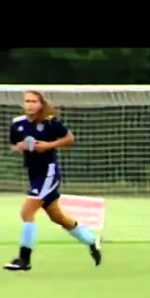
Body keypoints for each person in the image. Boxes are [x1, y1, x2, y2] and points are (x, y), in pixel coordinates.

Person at [5, 90, 102, 271]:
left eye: (34, 101)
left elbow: (69, 138)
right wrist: (20, 147)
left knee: (26, 212)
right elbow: (13, 145)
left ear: (41, 104)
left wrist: (48, 145)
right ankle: (91, 240)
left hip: (48, 174)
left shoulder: (50, 122)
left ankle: (24, 260)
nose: (30, 104)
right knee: (58, 217)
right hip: (34, 174)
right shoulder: (17, 124)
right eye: (27, 101)